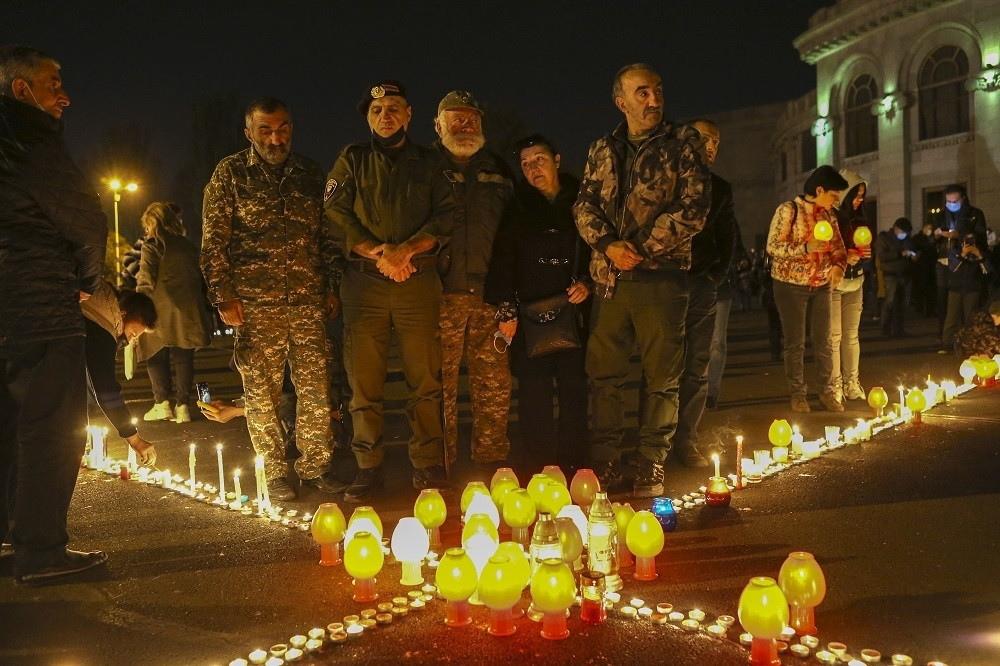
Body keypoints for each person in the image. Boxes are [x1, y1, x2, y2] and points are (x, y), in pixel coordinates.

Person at [574, 63, 712, 497]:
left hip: (661, 279)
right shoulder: (602, 148)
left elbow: (695, 206)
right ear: (621, 102)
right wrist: (611, 246)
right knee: (604, 377)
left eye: (657, 91)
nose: (653, 100)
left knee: (662, 378)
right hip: (610, 281)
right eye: (641, 93)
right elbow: (583, 206)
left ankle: (652, 459)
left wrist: (641, 249)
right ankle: (606, 461)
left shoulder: (682, 142)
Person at [0, 45, 109, 584]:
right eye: (52, 84)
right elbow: (86, 219)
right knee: (51, 430)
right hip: (38, 303)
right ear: (22, 91)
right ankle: (40, 553)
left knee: (7, 424)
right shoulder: (29, 139)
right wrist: (89, 284)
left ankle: (8, 541)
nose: (64, 96)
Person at [202, 97, 341, 501]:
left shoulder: (310, 174)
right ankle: (275, 471)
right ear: (249, 133)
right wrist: (223, 295)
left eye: (282, 128)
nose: (276, 137)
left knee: (316, 387)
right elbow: (213, 242)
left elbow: (326, 237)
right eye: (266, 130)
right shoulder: (230, 174)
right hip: (254, 303)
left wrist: (331, 284)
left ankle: (316, 466)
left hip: (307, 300)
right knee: (262, 389)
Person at [324, 80, 453, 502]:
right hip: (365, 284)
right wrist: (377, 251)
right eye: (377, 110)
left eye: (394, 108)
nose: (386, 116)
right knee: (363, 381)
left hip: (418, 282)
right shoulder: (352, 160)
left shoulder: (430, 162)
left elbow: (446, 214)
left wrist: (407, 250)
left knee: (425, 378)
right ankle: (368, 467)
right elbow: (335, 212)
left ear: (410, 114)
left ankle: (428, 463)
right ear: (367, 117)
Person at [485, 134, 591, 474]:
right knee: (533, 397)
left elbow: (596, 246)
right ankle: (538, 468)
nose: (533, 169)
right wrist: (506, 309)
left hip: (574, 313)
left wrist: (588, 283)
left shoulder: (582, 200)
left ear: (557, 160)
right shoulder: (517, 207)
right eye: (526, 164)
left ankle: (575, 462)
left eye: (540, 160)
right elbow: (503, 258)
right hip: (531, 316)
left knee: (575, 391)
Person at [433, 91, 515, 471]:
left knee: (494, 386)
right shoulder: (423, 168)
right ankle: (439, 464)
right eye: (457, 119)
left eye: (473, 120)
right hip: (439, 296)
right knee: (438, 388)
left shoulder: (499, 171)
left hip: (489, 296)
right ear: (438, 125)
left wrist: (509, 298)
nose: (466, 126)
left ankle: (490, 459)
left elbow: (515, 236)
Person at [671, 119, 738, 467]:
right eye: (703, 138)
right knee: (662, 366)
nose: (710, 145)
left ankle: (686, 439)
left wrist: (716, 274)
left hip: (701, 284)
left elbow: (729, 236)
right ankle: (655, 441)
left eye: (716, 141)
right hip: (666, 282)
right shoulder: (666, 181)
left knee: (697, 365)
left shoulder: (721, 189)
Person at [766, 165, 848, 413]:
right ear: (819, 189)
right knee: (795, 342)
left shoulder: (829, 215)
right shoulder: (788, 210)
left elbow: (838, 247)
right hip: (790, 286)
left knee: (824, 341)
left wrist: (839, 267)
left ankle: (826, 391)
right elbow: (772, 247)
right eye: (833, 195)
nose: (835, 201)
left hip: (822, 285)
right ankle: (798, 393)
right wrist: (804, 248)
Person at [136, 202, 213, 424]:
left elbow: (146, 280)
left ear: (153, 222)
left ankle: (161, 404)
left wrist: (137, 305)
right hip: (188, 309)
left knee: (155, 355)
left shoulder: (152, 245)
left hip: (158, 309)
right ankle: (183, 407)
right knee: (184, 358)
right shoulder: (188, 245)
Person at [80, 280, 158, 465]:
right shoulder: (102, 329)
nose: (130, 340)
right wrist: (135, 439)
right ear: (123, 314)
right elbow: (106, 391)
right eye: (133, 333)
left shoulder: (96, 308)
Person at [831, 170, 872, 402]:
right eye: (856, 195)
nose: (860, 200)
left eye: (862, 196)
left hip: (856, 282)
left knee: (851, 335)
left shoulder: (860, 218)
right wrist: (846, 256)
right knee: (834, 336)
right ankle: (835, 385)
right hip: (835, 283)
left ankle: (851, 381)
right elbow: (825, 250)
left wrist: (865, 253)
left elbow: (864, 247)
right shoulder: (830, 217)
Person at [933, 185, 987, 339]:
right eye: (948, 201)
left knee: (967, 303)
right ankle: (945, 339)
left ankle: (967, 338)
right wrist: (936, 236)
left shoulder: (975, 214)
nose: (951, 204)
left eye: (954, 201)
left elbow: (980, 237)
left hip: (965, 262)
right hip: (943, 262)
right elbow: (931, 241)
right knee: (945, 302)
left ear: (963, 198)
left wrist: (960, 235)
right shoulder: (941, 216)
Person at [941, 228, 992, 351]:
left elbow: (987, 271)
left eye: (971, 240)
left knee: (970, 318)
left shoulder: (981, 253)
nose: (969, 243)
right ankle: (947, 345)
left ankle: (970, 345)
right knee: (951, 319)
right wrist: (963, 255)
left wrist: (979, 255)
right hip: (955, 288)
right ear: (962, 241)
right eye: (966, 240)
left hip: (972, 289)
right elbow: (953, 269)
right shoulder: (954, 252)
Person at [874, 218, 917, 338]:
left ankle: (899, 329)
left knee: (902, 303)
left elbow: (911, 248)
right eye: (903, 232)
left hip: (904, 273)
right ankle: (885, 330)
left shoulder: (906, 239)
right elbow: (882, 255)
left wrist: (912, 255)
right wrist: (900, 254)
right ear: (896, 228)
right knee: (890, 301)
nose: (904, 235)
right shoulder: (884, 238)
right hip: (890, 273)